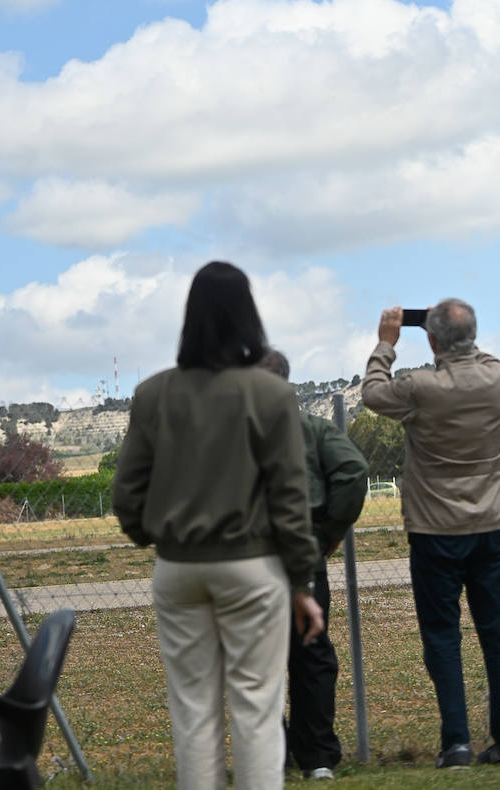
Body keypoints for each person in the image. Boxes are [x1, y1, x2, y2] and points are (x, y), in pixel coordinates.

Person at [112, 261, 323, 790]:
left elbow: (127, 495)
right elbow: (290, 501)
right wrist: (301, 582)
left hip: (178, 570)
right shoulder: (270, 395)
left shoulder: (153, 394)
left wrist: (157, 537)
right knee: (256, 709)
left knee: (194, 714)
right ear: (249, 316)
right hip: (253, 568)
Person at [362, 300, 500, 768]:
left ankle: (456, 743)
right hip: (493, 524)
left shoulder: (421, 387)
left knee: (442, 635)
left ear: (433, 340)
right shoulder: (496, 378)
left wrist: (386, 343)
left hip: (434, 529)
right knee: (496, 634)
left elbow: (373, 393)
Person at [261, 348, 368, 780]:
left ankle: (271, 752)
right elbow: (354, 471)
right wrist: (330, 531)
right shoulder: (315, 428)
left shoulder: (235, 434)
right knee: (312, 655)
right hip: (306, 556)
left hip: (248, 559)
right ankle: (318, 756)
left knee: (257, 661)